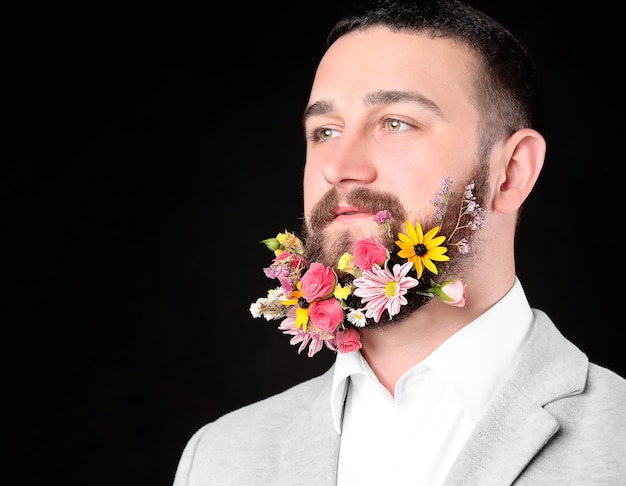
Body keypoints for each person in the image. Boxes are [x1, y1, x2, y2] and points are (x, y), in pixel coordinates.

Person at [173, 0, 626, 484]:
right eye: (324, 131)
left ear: (512, 172)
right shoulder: (218, 459)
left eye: (396, 123)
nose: (339, 167)